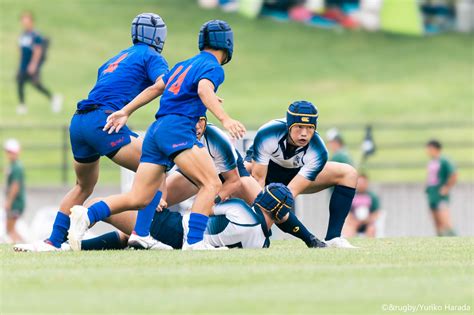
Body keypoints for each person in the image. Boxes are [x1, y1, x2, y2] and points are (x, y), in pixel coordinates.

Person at [68, 20, 246, 251]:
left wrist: (126, 111)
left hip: (156, 130)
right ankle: (194, 242)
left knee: (140, 197)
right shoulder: (214, 67)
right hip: (178, 129)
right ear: (228, 44)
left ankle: (94, 216)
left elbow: (155, 88)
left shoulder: (183, 65)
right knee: (210, 182)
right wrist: (225, 118)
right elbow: (203, 89)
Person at [13, 13, 170, 252]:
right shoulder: (151, 55)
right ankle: (141, 234)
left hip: (79, 122)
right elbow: (162, 84)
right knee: (155, 163)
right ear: (159, 36)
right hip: (103, 121)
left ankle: (53, 241)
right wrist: (126, 111)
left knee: (83, 186)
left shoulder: (113, 59)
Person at [54, 184, 325, 251]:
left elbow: (201, 207)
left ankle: (81, 220)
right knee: (128, 238)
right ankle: (73, 248)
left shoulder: (242, 209)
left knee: (115, 213)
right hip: (182, 243)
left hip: (177, 229)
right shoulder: (263, 244)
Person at [245, 101, 359, 248]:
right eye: (299, 127)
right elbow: (258, 180)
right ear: (289, 126)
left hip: (294, 175)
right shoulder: (268, 133)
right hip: (264, 171)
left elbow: (288, 195)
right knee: (237, 173)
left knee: (348, 173)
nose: (304, 133)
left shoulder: (319, 151)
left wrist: (278, 201)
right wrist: (262, 226)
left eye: (310, 128)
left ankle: (333, 238)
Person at [16, 11, 62, 115]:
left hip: (31, 64)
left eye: (26, 21)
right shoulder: (23, 35)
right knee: (20, 83)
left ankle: (53, 98)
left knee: (36, 84)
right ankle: (22, 105)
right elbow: (20, 49)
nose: (24, 23)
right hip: (23, 64)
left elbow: (38, 50)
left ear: (31, 22)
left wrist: (33, 64)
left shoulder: (35, 35)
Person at [425, 139, 457, 236]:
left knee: (446, 222)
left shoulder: (444, 160)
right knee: (436, 222)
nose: (427, 151)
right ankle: (440, 243)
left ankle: (455, 241)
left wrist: (446, 188)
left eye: (429, 148)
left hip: (440, 195)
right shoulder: (431, 161)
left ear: (435, 148)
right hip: (432, 194)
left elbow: (454, 174)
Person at [4, 139, 26, 243]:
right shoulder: (13, 166)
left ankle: (21, 244)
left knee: (10, 229)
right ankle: (22, 243)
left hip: (15, 203)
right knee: (10, 228)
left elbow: (15, 186)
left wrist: (9, 201)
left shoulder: (16, 167)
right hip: (15, 202)